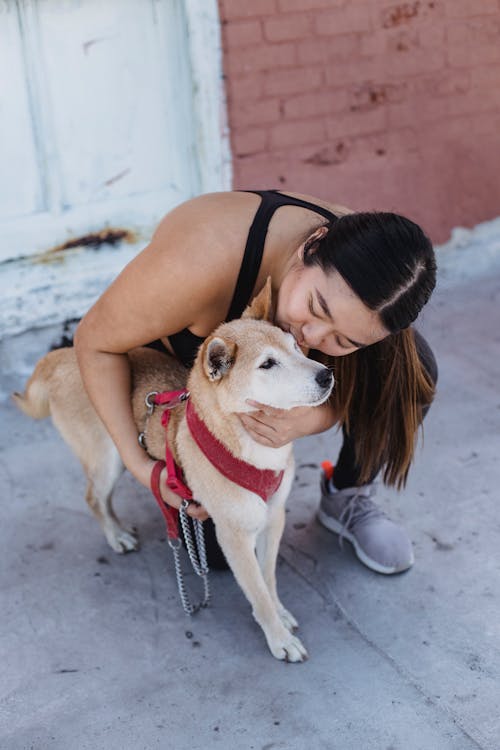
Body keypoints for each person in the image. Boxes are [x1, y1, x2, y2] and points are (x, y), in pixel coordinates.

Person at [74, 189, 437, 574]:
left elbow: (392, 374)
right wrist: (143, 468)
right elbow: (94, 343)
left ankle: (347, 492)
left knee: (416, 375)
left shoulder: (382, 278)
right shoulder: (198, 264)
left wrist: (314, 418)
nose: (311, 339)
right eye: (315, 308)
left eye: (344, 341)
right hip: (183, 369)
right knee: (220, 554)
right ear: (312, 245)